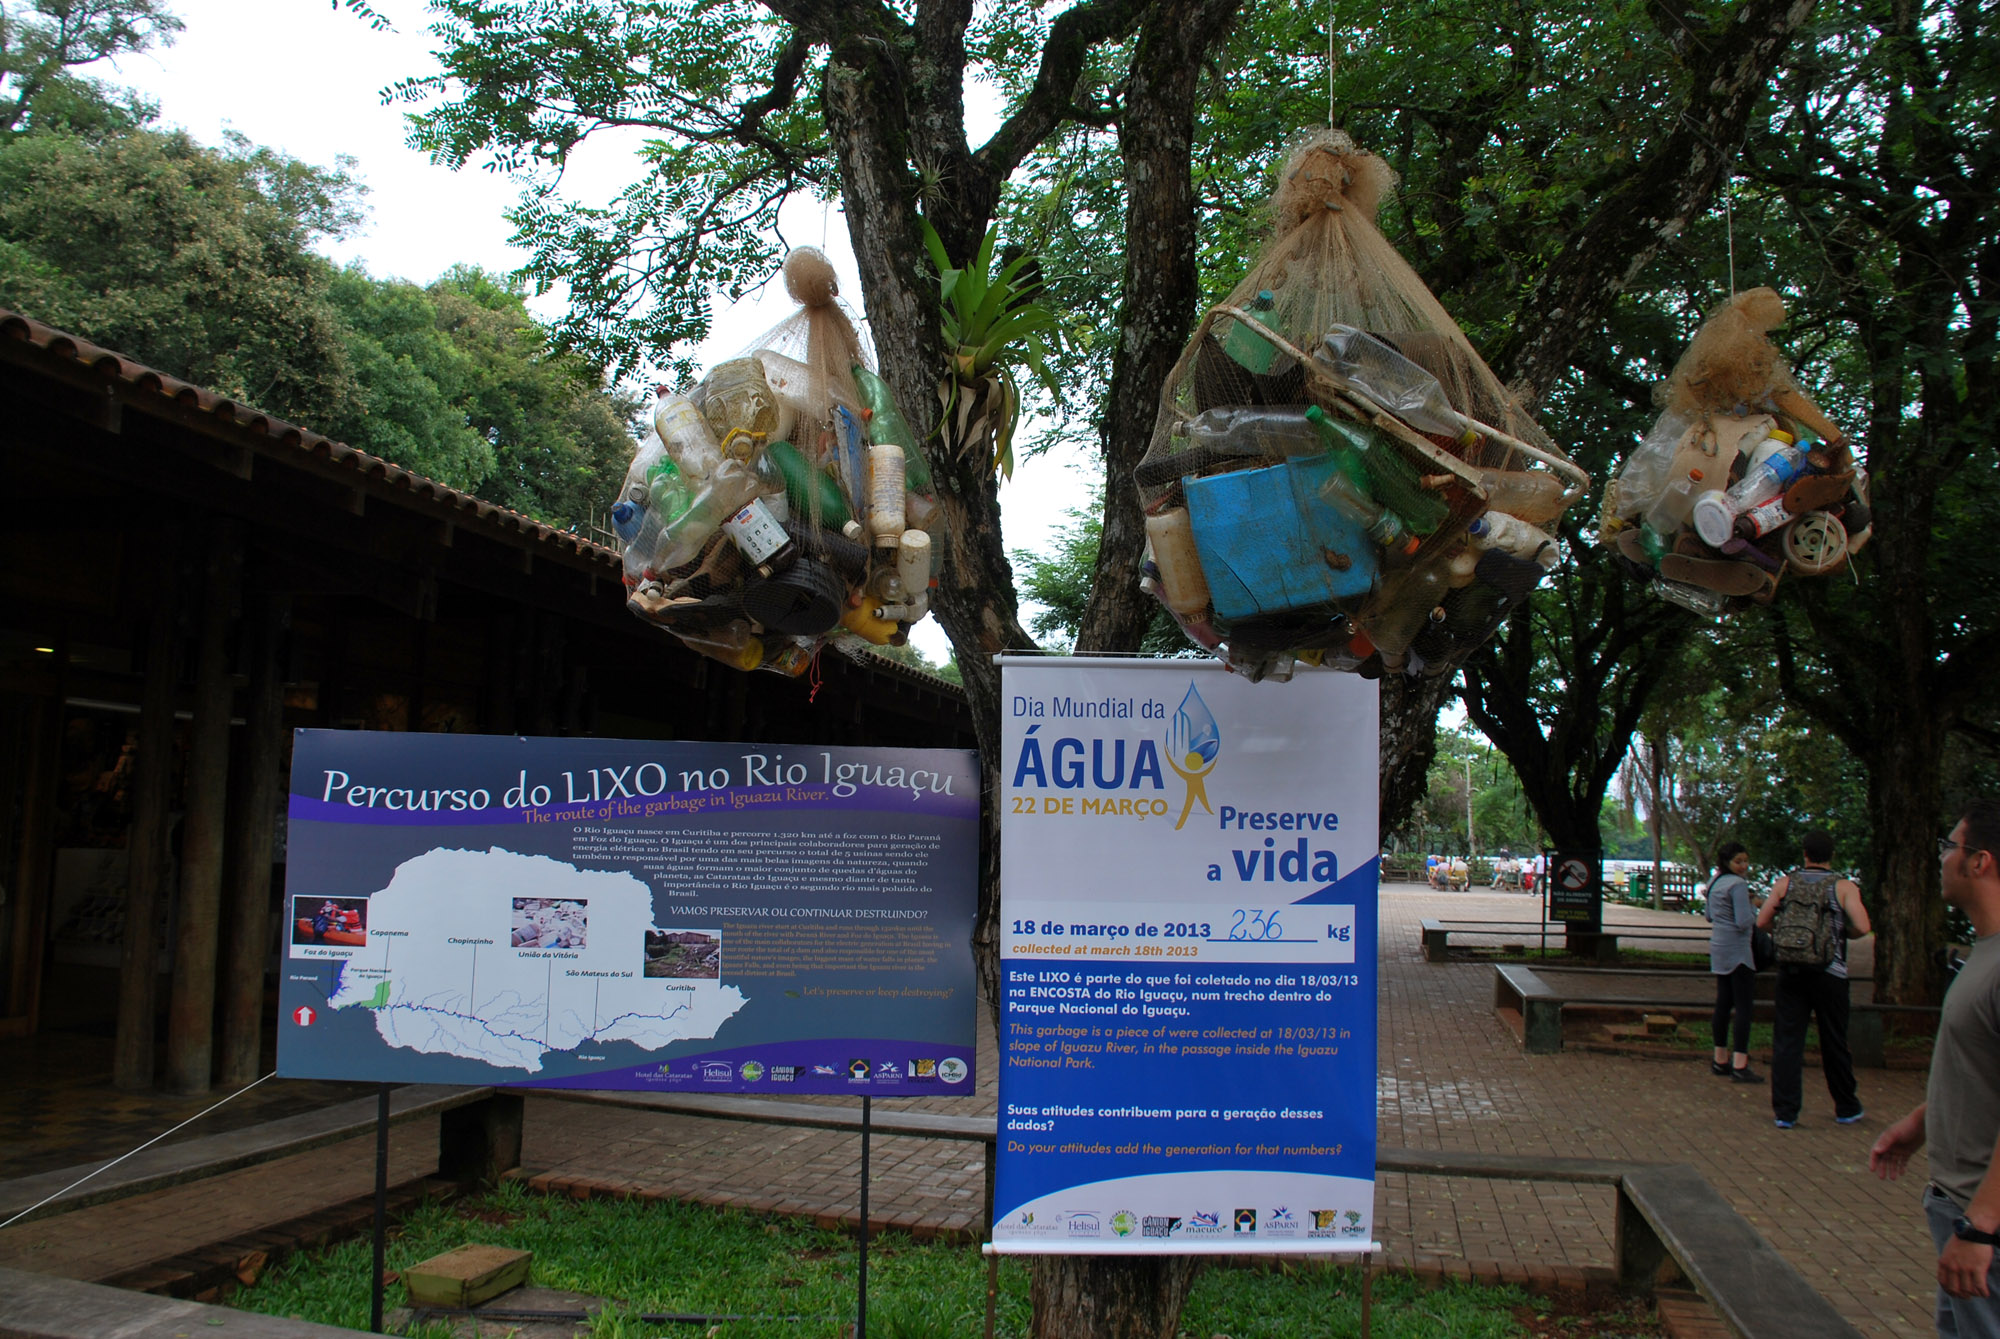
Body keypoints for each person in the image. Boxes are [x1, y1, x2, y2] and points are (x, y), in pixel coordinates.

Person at [1870, 799, 2000, 1335]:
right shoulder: (1983, 953)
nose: (1941, 858)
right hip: (1959, 1209)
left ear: (1979, 861)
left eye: (1950, 847)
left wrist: (1982, 1228)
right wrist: (1924, 1121)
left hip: (1983, 1223)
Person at [1757, 828, 1872, 1128]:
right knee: (1834, 1039)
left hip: (1791, 971)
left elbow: (1763, 921)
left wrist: (1788, 938)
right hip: (1830, 973)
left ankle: (1785, 1112)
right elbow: (1862, 925)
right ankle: (1846, 1106)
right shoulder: (1843, 886)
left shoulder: (1786, 883)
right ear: (1831, 855)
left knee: (1787, 1041)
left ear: (1804, 853)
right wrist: (1840, 935)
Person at [1705, 841, 1761, 1083]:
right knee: (1744, 1006)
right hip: (1738, 950)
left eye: (1746, 861)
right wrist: (1754, 906)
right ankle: (1740, 1062)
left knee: (1723, 1003)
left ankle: (1720, 1058)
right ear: (1727, 862)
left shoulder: (1714, 882)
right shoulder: (1738, 885)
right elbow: (1743, 921)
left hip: (1719, 946)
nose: (1743, 866)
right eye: (1738, 861)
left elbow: (1708, 915)